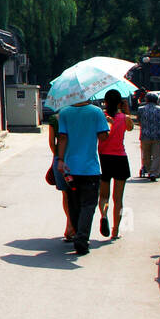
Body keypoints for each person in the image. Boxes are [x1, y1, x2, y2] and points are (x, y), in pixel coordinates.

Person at [55, 99, 109, 256]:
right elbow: (103, 137)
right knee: (88, 205)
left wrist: (60, 160)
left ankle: (78, 233)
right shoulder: (96, 112)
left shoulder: (64, 112)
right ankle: (82, 238)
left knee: (74, 203)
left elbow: (62, 138)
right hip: (90, 168)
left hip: (70, 168)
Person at [96, 89, 134, 239]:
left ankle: (104, 215)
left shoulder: (102, 117)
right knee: (118, 198)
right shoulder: (124, 118)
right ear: (119, 102)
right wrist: (127, 110)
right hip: (120, 159)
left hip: (104, 158)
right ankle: (115, 230)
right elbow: (131, 128)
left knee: (104, 196)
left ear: (105, 102)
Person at [46, 110, 74, 240]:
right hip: (77, 158)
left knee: (65, 193)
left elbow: (52, 143)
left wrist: (57, 155)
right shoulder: (77, 116)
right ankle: (74, 225)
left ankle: (69, 224)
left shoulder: (54, 118)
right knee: (77, 192)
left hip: (60, 159)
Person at [137, 92, 160, 180]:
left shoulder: (141, 109)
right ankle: (154, 172)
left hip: (145, 135)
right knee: (157, 155)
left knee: (146, 155)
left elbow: (139, 121)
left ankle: (149, 171)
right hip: (158, 135)